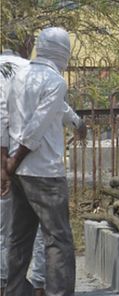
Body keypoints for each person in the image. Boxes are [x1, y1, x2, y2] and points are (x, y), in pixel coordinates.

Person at [4, 27, 78, 295]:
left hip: (19, 171)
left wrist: (8, 161)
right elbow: (36, 128)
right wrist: (15, 159)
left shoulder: (18, 75)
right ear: (62, 51)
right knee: (58, 240)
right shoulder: (56, 81)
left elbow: (5, 118)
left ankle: (13, 291)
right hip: (44, 172)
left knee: (19, 238)